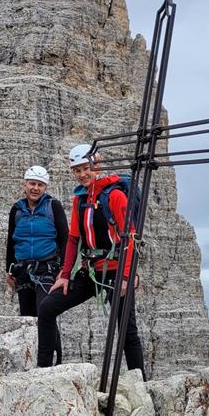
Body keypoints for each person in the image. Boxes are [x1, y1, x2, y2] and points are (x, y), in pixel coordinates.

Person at [37, 144, 144, 376]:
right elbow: (74, 239)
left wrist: (127, 276)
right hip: (92, 271)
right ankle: (42, 372)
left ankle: (142, 382)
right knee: (47, 308)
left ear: (98, 165)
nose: (82, 174)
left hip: (116, 270)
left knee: (126, 328)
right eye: (77, 170)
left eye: (86, 168)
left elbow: (131, 239)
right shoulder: (81, 199)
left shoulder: (114, 196)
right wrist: (65, 275)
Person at [5, 165, 68, 362]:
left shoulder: (53, 206)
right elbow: (11, 240)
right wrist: (9, 270)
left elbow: (65, 238)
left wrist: (64, 269)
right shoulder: (17, 209)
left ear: (45, 187)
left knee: (45, 313)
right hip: (22, 270)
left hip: (47, 270)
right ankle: (31, 361)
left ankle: (53, 361)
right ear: (24, 185)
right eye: (32, 183)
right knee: (28, 318)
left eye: (40, 185)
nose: (35, 188)